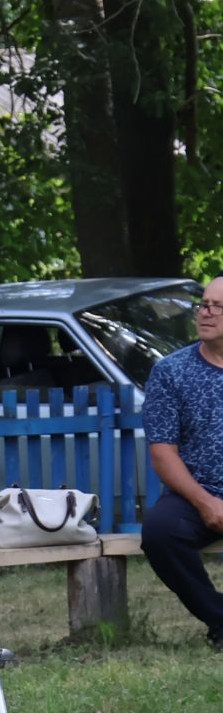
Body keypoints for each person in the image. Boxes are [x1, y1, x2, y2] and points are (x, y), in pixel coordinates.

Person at [140, 277, 223, 648]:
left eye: (217, 306)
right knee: (160, 532)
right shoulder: (172, 371)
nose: (206, 313)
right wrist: (205, 501)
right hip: (195, 492)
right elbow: (163, 453)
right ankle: (219, 619)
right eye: (203, 304)